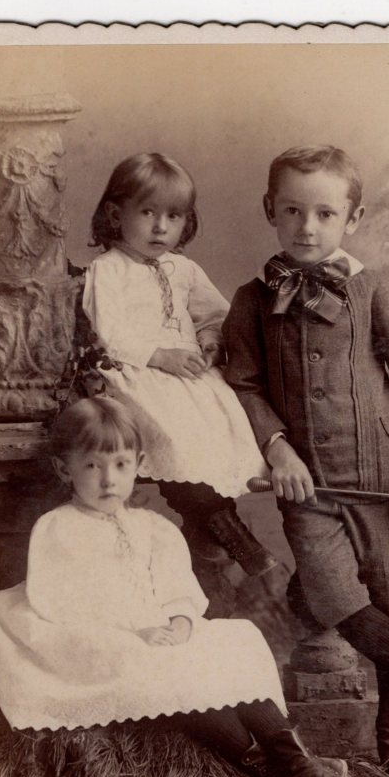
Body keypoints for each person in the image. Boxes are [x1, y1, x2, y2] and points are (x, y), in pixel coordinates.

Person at [0, 397, 370, 777]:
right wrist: (135, 633)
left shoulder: (153, 527)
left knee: (236, 642)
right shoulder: (58, 528)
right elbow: (64, 602)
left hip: (158, 632)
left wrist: (180, 624)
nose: (108, 480)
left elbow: (178, 591)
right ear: (65, 469)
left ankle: (293, 762)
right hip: (100, 642)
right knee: (176, 671)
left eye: (120, 465)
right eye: (92, 466)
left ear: (139, 464)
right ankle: (278, 767)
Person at [224, 145, 389, 777]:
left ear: (352, 219)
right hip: (308, 487)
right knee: (333, 596)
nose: (307, 227)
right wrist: (277, 447)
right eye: (292, 211)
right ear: (270, 210)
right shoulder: (252, 300)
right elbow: (243, 384)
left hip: (384, 479)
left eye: (325, 213)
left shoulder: (372, 289)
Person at [81, 151, 276, 577]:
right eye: (147, 213)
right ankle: (227, 530)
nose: (160, 227)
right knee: (174, 437)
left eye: (174, 216)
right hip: (138, 374)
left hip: (189, 377)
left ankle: (210, 527)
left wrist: (210, 342)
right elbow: (108, 333)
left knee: (220, 428)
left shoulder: (183, 269)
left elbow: (215, 315)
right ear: (115, 214)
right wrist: (160, 356)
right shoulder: (108, 270)